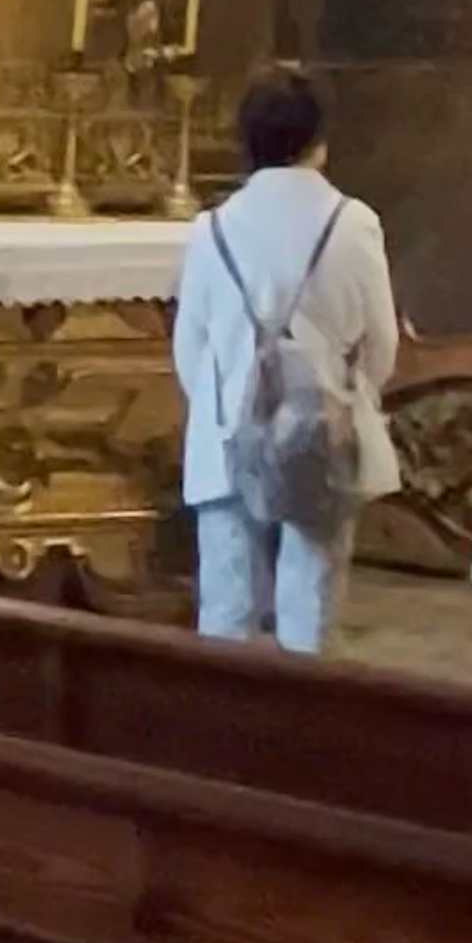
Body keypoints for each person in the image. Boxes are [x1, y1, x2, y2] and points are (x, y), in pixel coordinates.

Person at [170, 60, 399, 656]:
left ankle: (224, 714)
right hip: (322, 428)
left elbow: (190, 349)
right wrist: (343, 398)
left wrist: (233, 405)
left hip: (227, 434)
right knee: (310, 610)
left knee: (226, 611)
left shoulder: (212, 228)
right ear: (319, 138)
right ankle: (303, 713)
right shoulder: (355, 224)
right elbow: (381, 345)